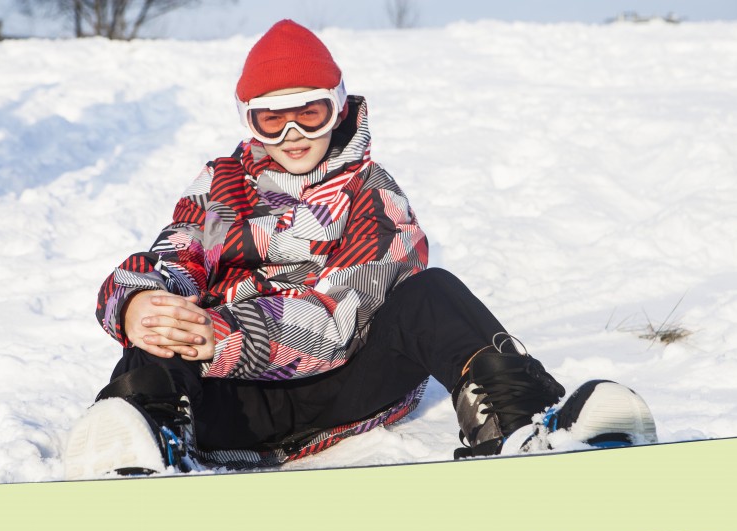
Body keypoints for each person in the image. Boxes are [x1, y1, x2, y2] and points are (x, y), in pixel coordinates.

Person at [64, 20, 656, 479]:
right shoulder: (220, 189)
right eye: (273, 120)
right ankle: (151, 443)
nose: (292, 135)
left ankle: (525, 424)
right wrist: (140, 303)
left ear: (338, 106)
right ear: (250, 121)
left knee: (433, 291)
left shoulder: (373, 196)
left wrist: (224, 333)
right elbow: (172, 254)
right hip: (228, 401)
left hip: (346, 387)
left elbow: (337, 319)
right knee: (161, 321)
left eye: (309, 114)